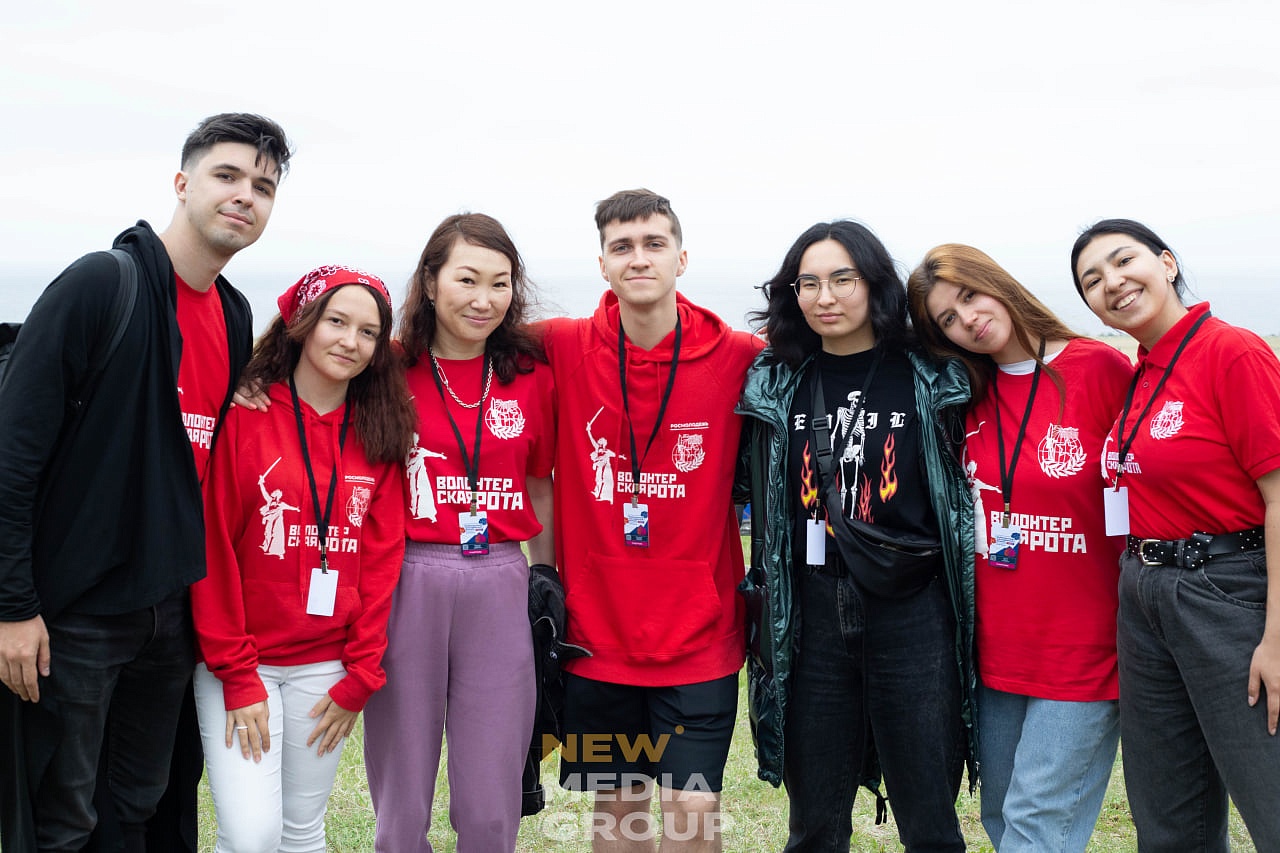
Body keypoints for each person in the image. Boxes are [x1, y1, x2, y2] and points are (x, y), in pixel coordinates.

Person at [0, 113, 291, 852]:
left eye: (263, 187)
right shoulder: (103, 284)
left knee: (139, 803)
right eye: (227, 175)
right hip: (79, 609)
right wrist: (13, 607)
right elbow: (13, 454)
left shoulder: (232, 313)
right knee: (62, 814)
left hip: (172, 608)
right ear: (182, 182)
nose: (245, 196)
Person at [736, 220, 975, 852]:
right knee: (814, 824)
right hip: (809, 609)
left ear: (874, 283)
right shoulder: (775, 379)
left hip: (913, 604)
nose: (825, 297)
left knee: (930, 821)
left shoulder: (933, 374)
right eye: (808, 283)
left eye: (843, 279)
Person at [540, 189, 761, 850]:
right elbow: (455, 333)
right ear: (603, 264)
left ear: (681, 258)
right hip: (597, 640)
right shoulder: (564, 345)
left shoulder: (737, 355)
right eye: (622, 247)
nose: (639, 258)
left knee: (692, 815)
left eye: (654, 243)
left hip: (699, 640)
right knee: (621, 812)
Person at [907, 244, 1132, 852]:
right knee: (1002, 819)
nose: (968, 319)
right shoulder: (963, 393)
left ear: (996, 282)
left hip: (1085, 648)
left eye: (969, 296)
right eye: (947, 319)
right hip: (996, 653)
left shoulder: (1098, 368)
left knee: (1036, 827)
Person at [1071, 219, 1280, 852]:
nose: (1112, 283)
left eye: (1123, 261)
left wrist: (1277, 636)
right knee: (1167, 813)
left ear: (1166, 262)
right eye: (1091, 281)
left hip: (1228, 591)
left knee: (1270, 794)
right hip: (1145, 594)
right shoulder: (1144, 372)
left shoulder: (1231, 352)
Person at [192, 265, 413, 851]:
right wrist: (237, 674)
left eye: (369, 332)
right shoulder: (245, 415)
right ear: (302, 324)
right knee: (251, 836)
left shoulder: (379, 432)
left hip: (327, 665)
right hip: (244, 663)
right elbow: (214, 548)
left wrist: (361, 676)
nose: (350, 341)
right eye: (336, 322)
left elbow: (381, 563)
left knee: (301, 830)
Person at [361, 213, 557, 852]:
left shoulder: (530, 373)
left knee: (490, 803)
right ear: (430, 281)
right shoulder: (387, 366)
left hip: (500, 577)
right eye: (467, 279)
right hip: (407, 574)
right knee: (402, 800)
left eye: (500, 283)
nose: (484, 299)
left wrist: (545, 574)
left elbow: (539, 482)